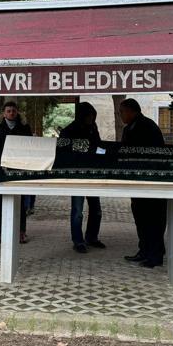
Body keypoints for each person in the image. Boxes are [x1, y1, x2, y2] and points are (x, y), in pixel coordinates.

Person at [120, 98, 167, 268]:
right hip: (137, 180)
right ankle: (144, 251)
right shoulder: (129, 128)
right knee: (141, 218)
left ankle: (155, 256)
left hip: (151, 181)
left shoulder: (147, 126)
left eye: (122, 112)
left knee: (153, 219)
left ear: (132, 111)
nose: (120, 116)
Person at [59, 102, 104, 253]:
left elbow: (98, 145)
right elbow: (64, 149)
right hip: (77, 174)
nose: (91, 118)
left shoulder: (93, 127)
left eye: (93, 115)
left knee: (96, 209)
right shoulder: (70, 130)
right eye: (89, 115)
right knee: (78, 210)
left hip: (92, 173)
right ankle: (78, 241)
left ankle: (92, 237)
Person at [0, 101, 30, 244]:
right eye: (8, 111)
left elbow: (29, 145)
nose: (11, 113)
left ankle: (21, 231)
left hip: (18, 167)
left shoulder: (24, 127)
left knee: (20, 201)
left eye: (13, 111)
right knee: (1, 200)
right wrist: (3, 158)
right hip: (2, 168)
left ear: (17, 112)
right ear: (4, 113)